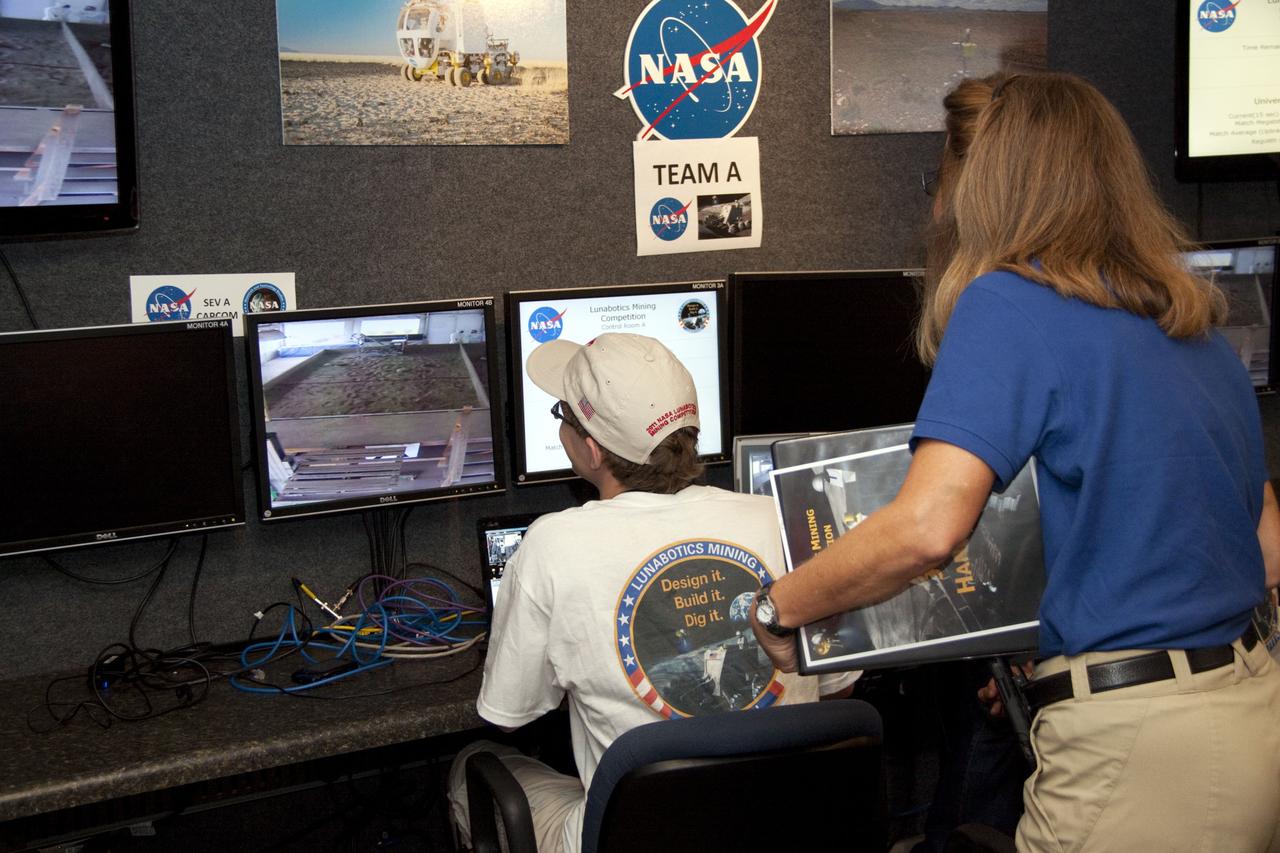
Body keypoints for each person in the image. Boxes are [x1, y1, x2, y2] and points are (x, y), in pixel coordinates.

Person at [751, 72, 1280, 851]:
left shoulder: (1009, 301)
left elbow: (928, 527)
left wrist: (784, 606)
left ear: (981, 187)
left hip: (1139, 748)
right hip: (1250, 715)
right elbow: (1265, 544)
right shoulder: (1184, 316)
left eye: (943, 177)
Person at [449, 333, 856, 853]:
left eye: (562, 415)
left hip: (635, 834)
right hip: (785, 821)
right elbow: (838, 689)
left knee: (470, 764)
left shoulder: (553, 543)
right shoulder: (780, 519)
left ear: (591, 449)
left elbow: (508, 714)